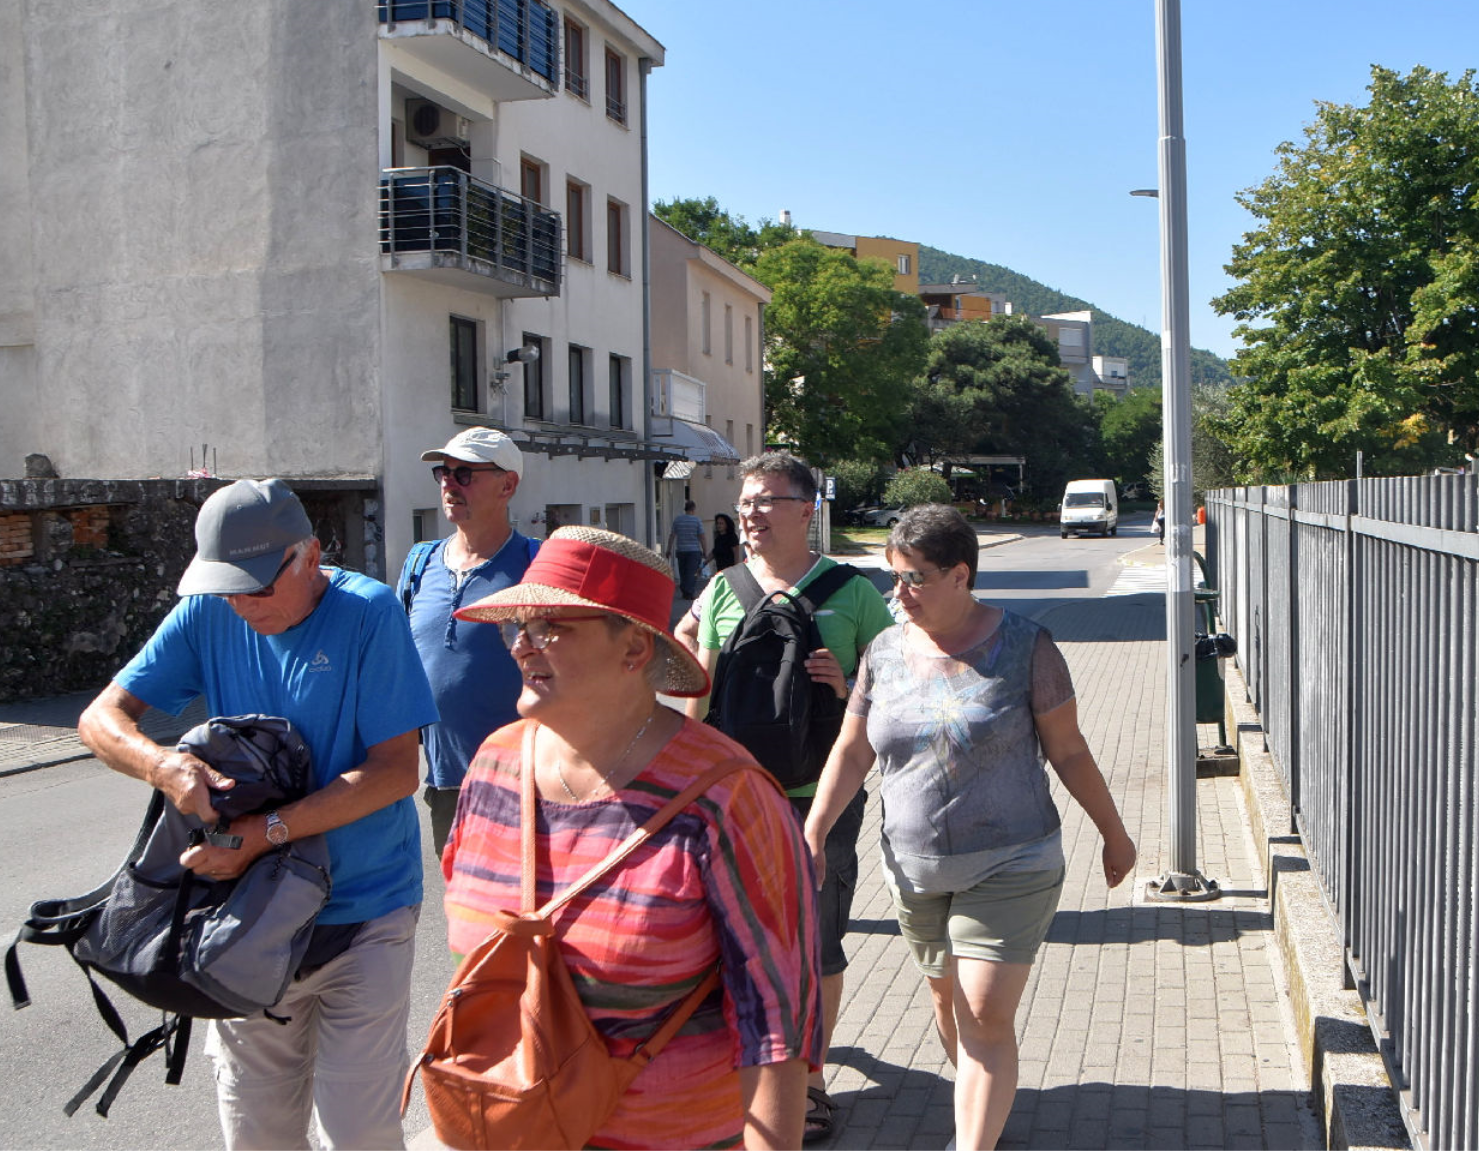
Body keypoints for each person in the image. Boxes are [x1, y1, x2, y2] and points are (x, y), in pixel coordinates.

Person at [77, 479, 432, 1151]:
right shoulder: (207, 614)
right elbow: (100, 719)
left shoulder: (367, 613)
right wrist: (163, 766)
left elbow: (395, 771)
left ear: (310, 555)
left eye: (259, 586)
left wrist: (264, 834)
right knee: (257, 1134)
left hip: (364, 910)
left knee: (359, 1132)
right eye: (227, 588)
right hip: (248, 919)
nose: (242, 603)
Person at [444, 526, 818, 1151]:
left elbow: (776, 1020)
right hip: (505, 1129)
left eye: (551, 627)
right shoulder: (494, 764)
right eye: (518, 627)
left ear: (635, 648)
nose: (522, 646)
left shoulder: (728, 796)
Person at [803, 504, 1138, 1151]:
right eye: (894, 576)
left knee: (982, 1010)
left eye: (915, 578)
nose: (900, 593)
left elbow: (1070, 751)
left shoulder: (1026, 647)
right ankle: (983, 1103)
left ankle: (974, 1138)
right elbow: (851, 749)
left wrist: (1114, 833)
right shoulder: (884, 652)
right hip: (913, 869)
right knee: (947, 1002)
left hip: (1012, 860)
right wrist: (815, 829)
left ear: (961, 575)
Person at [674, 452, 892, 1144]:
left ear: (806, 510)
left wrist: (847, 683)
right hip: (730, 797)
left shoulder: (852, 592)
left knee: (818, 939)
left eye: (766, 500)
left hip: (819, 795)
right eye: (745, 501)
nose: (750, 513)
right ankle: (742, 1072)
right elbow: (695, 690)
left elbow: (895, 687)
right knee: (724, 939)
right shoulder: (722, 588)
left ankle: (812, 1081)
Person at [398, 426, 537, 857]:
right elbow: (399, 663)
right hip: (446, 783)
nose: (449, 484)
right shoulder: (420, 562)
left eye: (464, 474)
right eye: (444, 473)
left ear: (507, 485)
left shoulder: (536, 564)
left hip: (523, 781)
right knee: (461, 896)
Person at [666, 499, 707, 599]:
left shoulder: (678, 520)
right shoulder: (697, 521)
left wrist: (668, 549)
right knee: (692, 572)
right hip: (694, 551)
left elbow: (672, 535)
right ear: (693, 509)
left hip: (681, 550)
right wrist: (705, 550)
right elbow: (702, 537)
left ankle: (685, 589)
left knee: (683, 571)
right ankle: (689, 591)